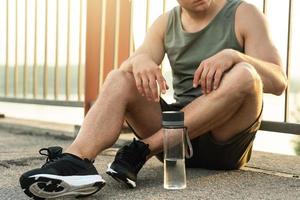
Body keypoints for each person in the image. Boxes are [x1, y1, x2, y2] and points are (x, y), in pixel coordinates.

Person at [19, 0, 287, 199]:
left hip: (224, 139)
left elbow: (278, 81)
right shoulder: (165, 22)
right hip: (175, 147)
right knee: (119, 76)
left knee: (245, 74)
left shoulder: (244, 13)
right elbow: (126, 72)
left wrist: (235, 55)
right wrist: (142, 61)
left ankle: (142, 150)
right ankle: (76, 161)